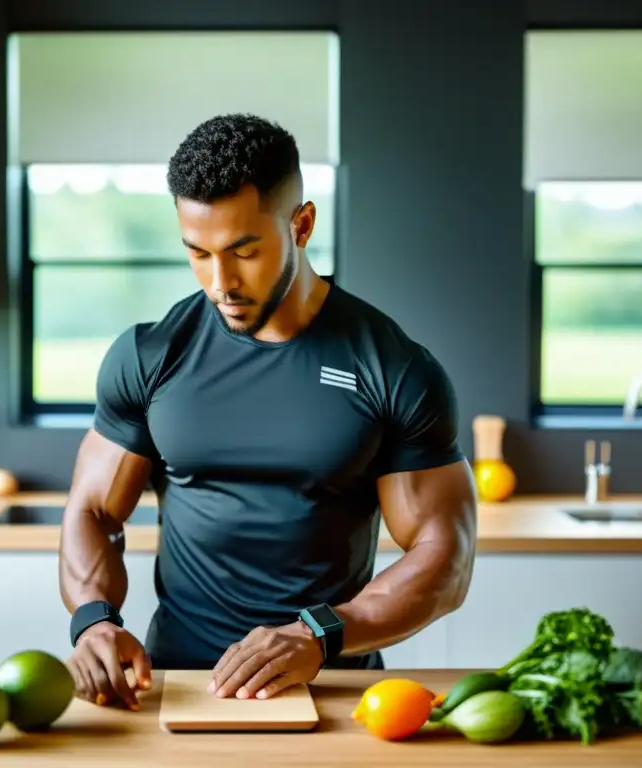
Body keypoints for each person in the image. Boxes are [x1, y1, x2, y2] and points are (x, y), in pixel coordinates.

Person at [58, 113, 477, 711]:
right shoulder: (151, 355)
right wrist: (95, 621)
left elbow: (445, 559)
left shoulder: (394, 367)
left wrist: (316, 635)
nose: (220, 282)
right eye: (197, 253)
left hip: (332, 687)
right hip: (172, 688)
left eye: (244, 251)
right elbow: (94, 511)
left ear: (302, 225)